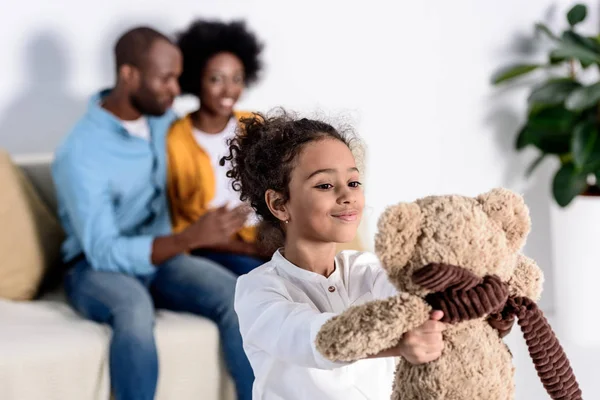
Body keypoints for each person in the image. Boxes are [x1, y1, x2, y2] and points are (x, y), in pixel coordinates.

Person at [51, 27, 253, 400]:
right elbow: (104, 251)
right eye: (166, 79)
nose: (176, 89)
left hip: (167, 258)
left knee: (236, 295)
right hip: (96, 268)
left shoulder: (163, 121)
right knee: (133, 310)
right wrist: (188, 238)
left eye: (177, 77)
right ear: (129, 75)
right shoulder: (81, 152)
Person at [224, 109, 446, 399]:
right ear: (279, 203)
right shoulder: (258, 290)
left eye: (353, 182)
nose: (347, 195)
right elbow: (314, 338)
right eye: (325, 185)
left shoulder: (368, 270)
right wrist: (398, 345)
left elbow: (420, 297)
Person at [166, 19, 266, 274]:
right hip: (213, 249)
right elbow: (185, 224)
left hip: (266, 238)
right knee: (263, 280)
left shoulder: (254, 125)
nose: (228, 90)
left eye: (236, 78)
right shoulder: (175, 140)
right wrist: (251, 250)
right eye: (216, 79)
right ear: (196, 80)